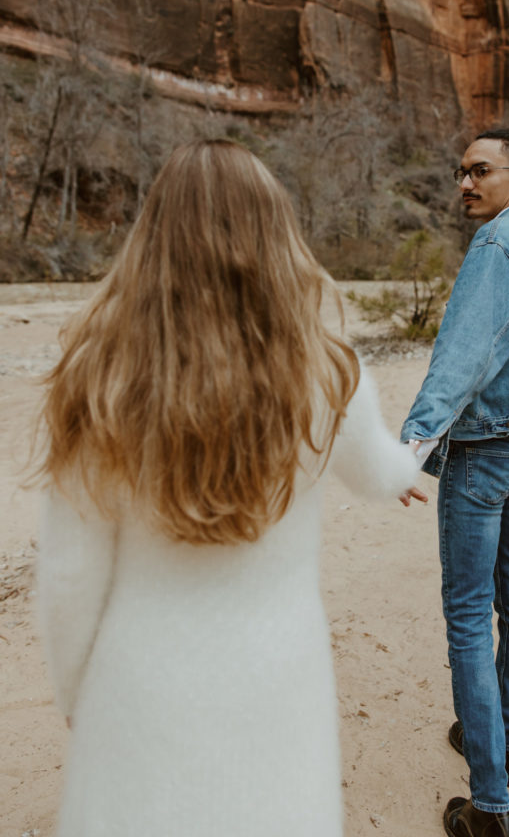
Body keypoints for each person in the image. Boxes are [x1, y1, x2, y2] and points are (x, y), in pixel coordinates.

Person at [37, 139, 426, 837]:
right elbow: (378, 472)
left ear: (151, 239)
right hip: (276, 676)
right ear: (276, 238)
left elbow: (69, 579)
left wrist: (78, 697)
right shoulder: (326, 373)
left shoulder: (99, 377)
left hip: (139, 682)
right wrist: (411, 465)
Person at [401, 129, 509, 837]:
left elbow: (465, 350)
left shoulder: (499, 245)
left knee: (472, 616)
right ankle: (507, 748)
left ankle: (489, 808)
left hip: (486, 449)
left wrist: (412, 445)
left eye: (479, 170)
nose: (463, 183)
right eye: (460, 171)